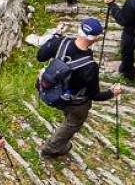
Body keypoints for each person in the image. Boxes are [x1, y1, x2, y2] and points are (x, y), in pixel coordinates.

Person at [36, 18, 125, 158]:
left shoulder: (60, 42)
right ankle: (51, 148)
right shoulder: (89, 66)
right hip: (73, 102)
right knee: (73, 122)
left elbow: (40, 56)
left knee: (68, 112)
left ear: (79, 29)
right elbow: (94, 95)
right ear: (96, 39)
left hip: (48, 89)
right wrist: (112, 93)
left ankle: (63, 117)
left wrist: (57, 34)